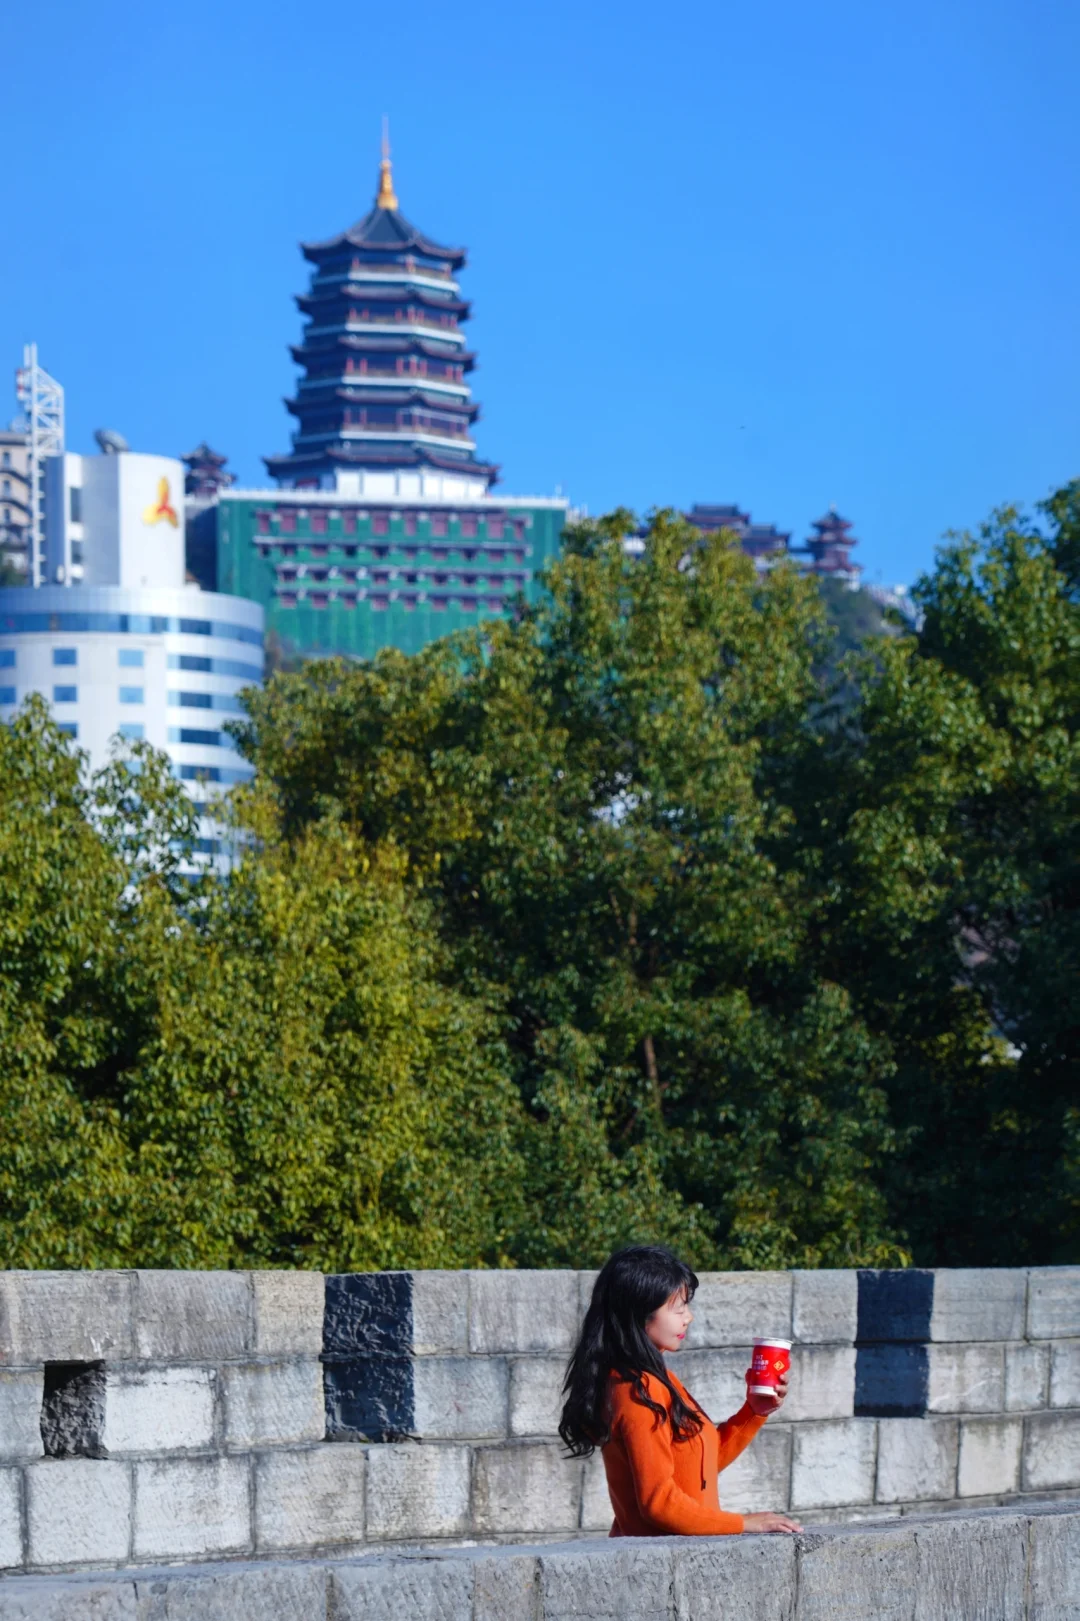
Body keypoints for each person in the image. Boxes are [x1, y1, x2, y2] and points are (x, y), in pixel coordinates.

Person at [559, 1245, 803, 1536]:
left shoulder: (657, 1379)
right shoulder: (635, 1389)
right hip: (657, 1567)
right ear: (639, 1315)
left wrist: (754, 1412)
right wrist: (744, 1524)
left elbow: (698, 1469)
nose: (688, 1317)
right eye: (679, 1308)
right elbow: (658, 1502)